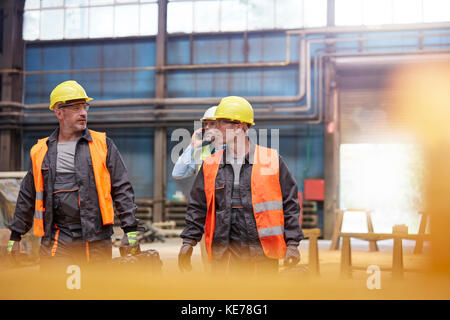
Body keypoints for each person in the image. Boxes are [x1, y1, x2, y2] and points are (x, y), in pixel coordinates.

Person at [6, 80, 139, 271]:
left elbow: (122, 189)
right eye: (76, 108)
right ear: (59, 112)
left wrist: (131, 232)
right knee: (54, 291)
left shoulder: (103, 145)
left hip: (96, 239)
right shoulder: (41, 151)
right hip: (57, 238)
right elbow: (27, 196)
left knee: (97, 291)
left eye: (85, 107)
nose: (83, 113)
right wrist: (15, 237)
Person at [178, 96, 304, 275]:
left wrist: (293, 243)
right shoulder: (210, 164)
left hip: (263, 253)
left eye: (221, 124)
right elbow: (197, 206)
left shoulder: (271, 161)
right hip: (224, 253)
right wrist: (188, 241)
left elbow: (290, 205)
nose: (215, 129)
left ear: (239, 127)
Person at [172, 106, 224, 182]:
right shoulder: (201, 152)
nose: (207, 127)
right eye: (205, 124)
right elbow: (177, 174)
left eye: (212, 124)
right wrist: (192, 145)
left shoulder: (232, 151)